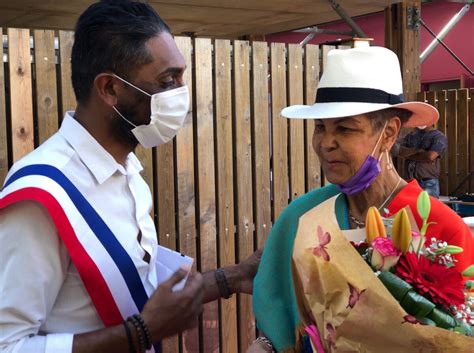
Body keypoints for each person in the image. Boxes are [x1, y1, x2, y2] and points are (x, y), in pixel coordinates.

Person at [0, 1, 260, 353]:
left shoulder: (129, 174)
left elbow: (133, 287)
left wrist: (230, 278)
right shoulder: (41, 195)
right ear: (109, 88)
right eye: (168, 81)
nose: (180, 94)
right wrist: (140, 333)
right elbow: (8, 345)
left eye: (181, 78)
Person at [249, 47, 473, 352]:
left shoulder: (441, 227)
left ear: (390, 132)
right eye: (320, 128)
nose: (326, 143)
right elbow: (276, 315)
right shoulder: (301, 217)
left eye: (344, 128)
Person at [398, 124, 447, 198]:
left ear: (432, 121)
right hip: (410, 182)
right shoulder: (411, 136)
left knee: (429, 209)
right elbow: (399, 151)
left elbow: (430, 156)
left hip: (428, 183)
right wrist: (417, 151)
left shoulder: (439, 136)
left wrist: (409, 155)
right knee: (410, 209)